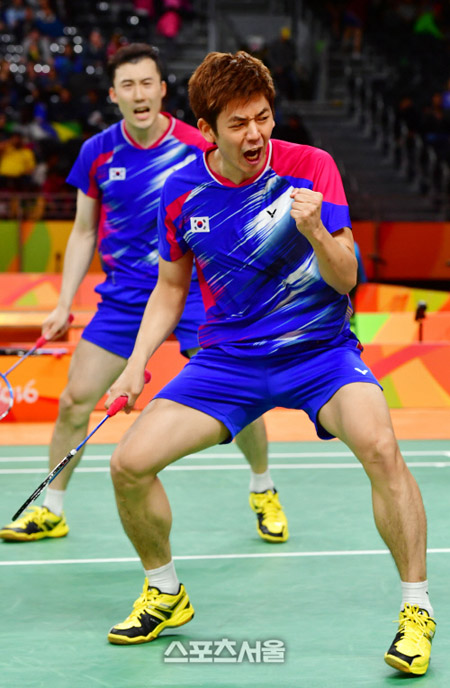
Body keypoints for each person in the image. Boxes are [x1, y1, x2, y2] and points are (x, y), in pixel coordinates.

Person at [101, 50, 435, 677]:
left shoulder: (312, 168)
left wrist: (316, 232)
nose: (254, 134)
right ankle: (165, 592)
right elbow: (170, 288)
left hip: (320, 352)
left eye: (262, 117)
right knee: (128, 465)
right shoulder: (181, 191)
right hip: (228, 361)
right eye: (237, 123)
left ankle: (416, 609)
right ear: (207, 129)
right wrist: (135, 362)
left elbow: (347, 279)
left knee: (381, 447)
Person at [0, 44, 287, 546]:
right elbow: (83, 231)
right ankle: (51, 507)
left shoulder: (197, 143)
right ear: (114, 94)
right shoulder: (98, 152)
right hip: (126, 298)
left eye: (147, 83)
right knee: (74, 400)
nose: (139, 94)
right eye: (128, 85)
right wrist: (64, 303)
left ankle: (263, 488)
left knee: (237, 395)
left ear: (162, 89)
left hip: (198, 294)